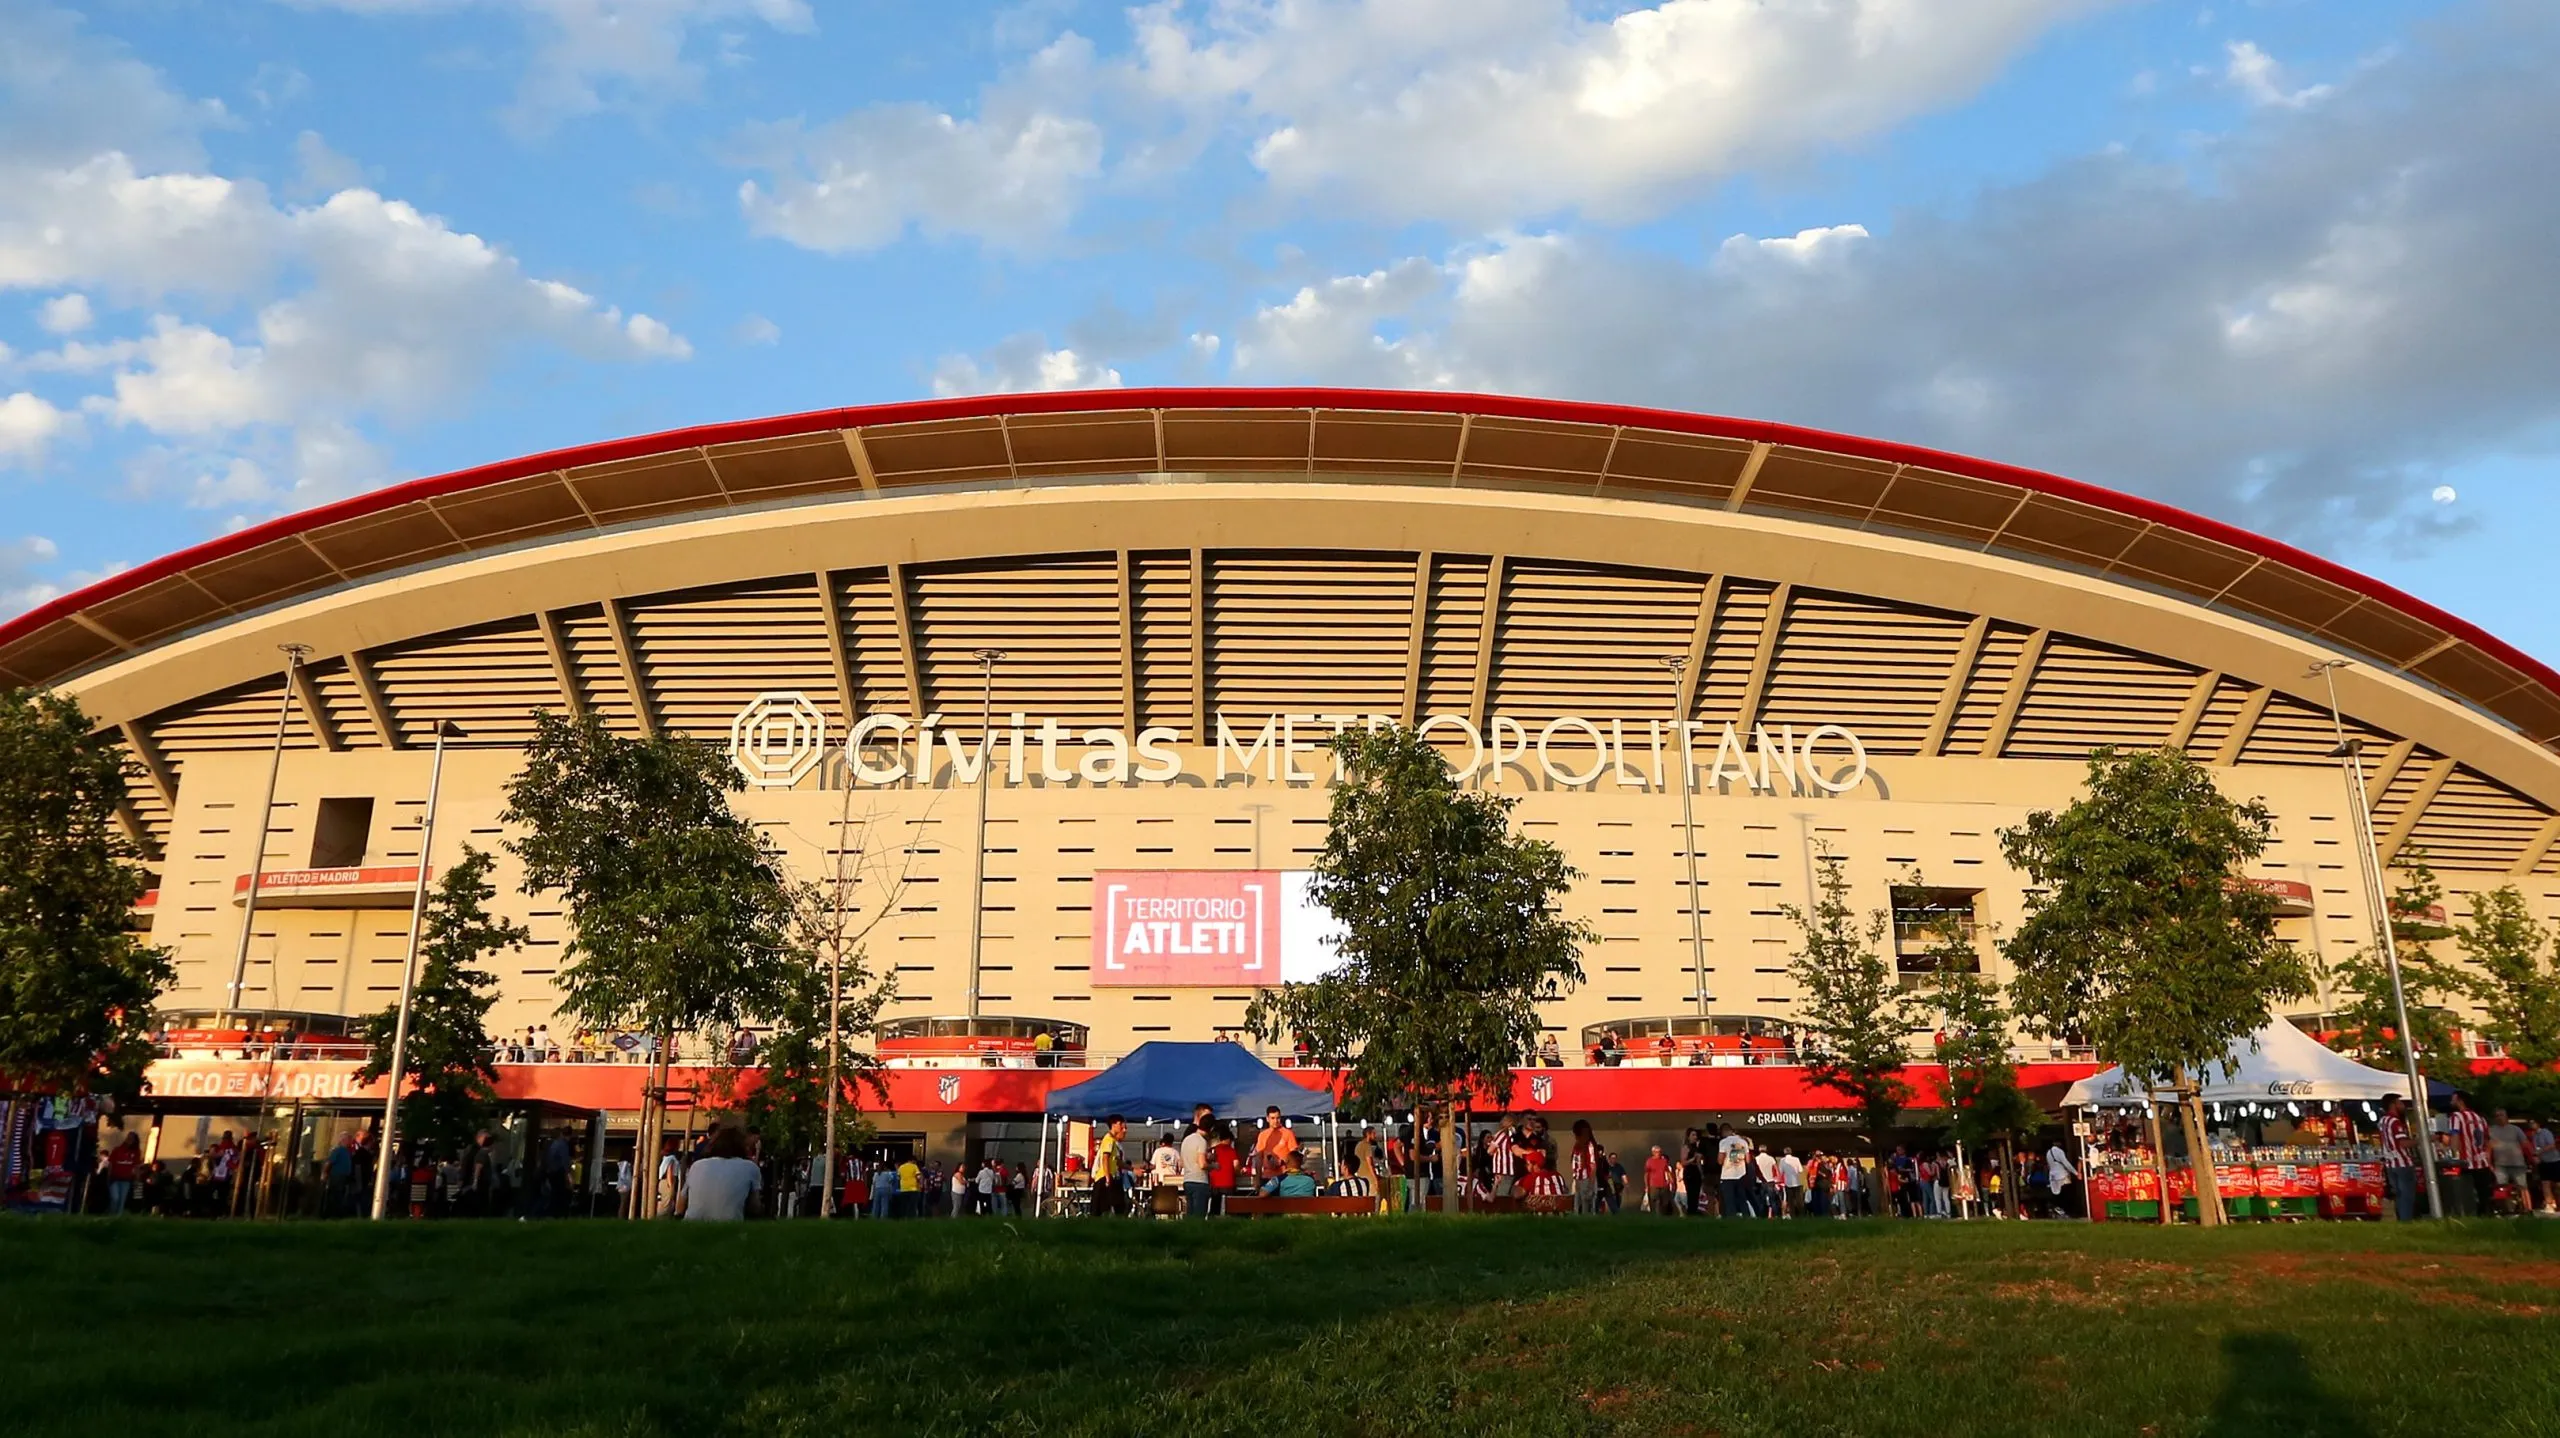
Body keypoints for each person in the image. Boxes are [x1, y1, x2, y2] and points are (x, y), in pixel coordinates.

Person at [676, 1126, 762, 1220]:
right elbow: (755, 1207)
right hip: (730, 1224)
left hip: (692, 1224)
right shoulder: (750, 1167)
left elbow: (680, 1206)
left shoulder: (697, 1165)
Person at [2445, 1093, 2493, 1218]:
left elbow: (2455, 1136)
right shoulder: (2480, 1118)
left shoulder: (2456, 1117)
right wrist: (2488, 1158)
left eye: (2453, 1099)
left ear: (2460, 1101)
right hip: (2482, 1162)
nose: (2451, 1102)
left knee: (2466, 1193)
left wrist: (2453, 1156)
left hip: (2466, 1163)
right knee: (2484, 1194)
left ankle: (2470, 1215)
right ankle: (2486, 1215)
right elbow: (2488, 1140)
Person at [2486, 1109, 2530, 1217]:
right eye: (2497, 1115)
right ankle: (2508, 1210)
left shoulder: (2515, 1129)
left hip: (2517, 1163)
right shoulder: (2491, 1130)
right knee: (2501, 1188)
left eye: (2501, 1115)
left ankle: (2528, 1209)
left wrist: (2531, 1157)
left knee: (2522, 1187)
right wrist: (2488, 1163)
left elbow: (2525, 1144)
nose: (2499, 1117)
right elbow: (2488, 1148)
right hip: (2500, 1164)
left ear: (2506, 1117)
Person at [1092, 1116, 1128, 1217]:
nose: (1122, 1128)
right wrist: (1107, 1177)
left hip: (1111, 1175)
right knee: (1099, 1208)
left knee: (1117, 1204)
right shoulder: (1108, 1139)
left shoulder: (1113, 1141)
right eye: (1120, 1124)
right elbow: (1105, 1158)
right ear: (1113, 1125)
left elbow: (1116, 1161)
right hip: (1104, 1177)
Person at [1179, 1114, 1213, 1219]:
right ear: (1211, 1128)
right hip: (1200, 1181)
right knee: (1199, 1216)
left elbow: (1182, 1162)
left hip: (1187, 1180)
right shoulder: (1201, 1141)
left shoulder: (1186, 1140)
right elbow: (1202, 1164)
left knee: (1190, 1214)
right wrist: (1214, 1166)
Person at [1716, 1125, 1753, 1218]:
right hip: (1741, 1174)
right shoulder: (1743, 1142)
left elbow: (1720, 1160)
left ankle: (1731, 1217)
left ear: (1723, 1132)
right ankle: (1746, 1216)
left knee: (1729, 1200)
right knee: (1742, 1198)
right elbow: (1748, 1160)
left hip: (1727, 1175)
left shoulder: (1723, 1142)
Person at [2045, 1139, 2080, 1220]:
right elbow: (2066, 1163)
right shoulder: (2060, 1152)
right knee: (2066, 1194)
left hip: (2053, 1176)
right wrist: (2076, 1173)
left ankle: (2057, 1210)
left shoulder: (2048, 1153)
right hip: (2062, 1175)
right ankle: (2065, 1211)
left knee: (2056, 1194)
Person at [1780, 1147, 1807, 1219]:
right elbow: (1800, 1170)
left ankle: (1793, 1215)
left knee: (1790, 1201)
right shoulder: (1796, 1159)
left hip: (1788, 1183)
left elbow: (1781, 1171)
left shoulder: (1782, 1160)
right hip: (1797, 1182)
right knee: (1799, 1201)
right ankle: (1802, 1215)